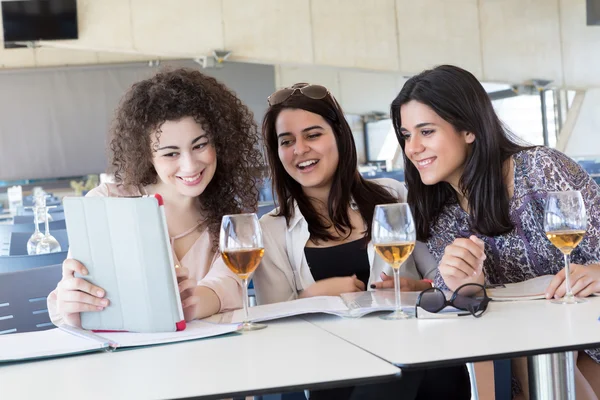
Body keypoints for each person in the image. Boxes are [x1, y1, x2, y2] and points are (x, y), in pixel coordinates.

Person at [390, 64, 600, 399]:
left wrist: (597, 271)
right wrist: (466, 287)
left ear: (469, 129)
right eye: (405, 135)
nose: (412, 148)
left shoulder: (541, 169)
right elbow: (462, 304)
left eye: (426, 132)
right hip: (527, 352)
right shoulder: (440, 212)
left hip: (590, 338)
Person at [253, 82, 471, 400]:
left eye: (313, 135)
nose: (299, 149)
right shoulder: (270, 230)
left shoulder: (395, 197)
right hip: (333, 374)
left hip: (419, 364)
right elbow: (274, 328)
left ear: (340, 136)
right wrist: (311, 296)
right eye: (286, 141)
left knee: (415, 352)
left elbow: (448, 282)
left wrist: (421, 290)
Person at [47, 68, 263, 327]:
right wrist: (72, 308)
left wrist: (190, 303)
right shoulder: (106, 204)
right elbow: (76, 304)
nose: (190, 165)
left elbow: (228, 285)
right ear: (146, 156)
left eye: (200, 145)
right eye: (171, 153)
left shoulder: (227, 216)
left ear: (220, 141)